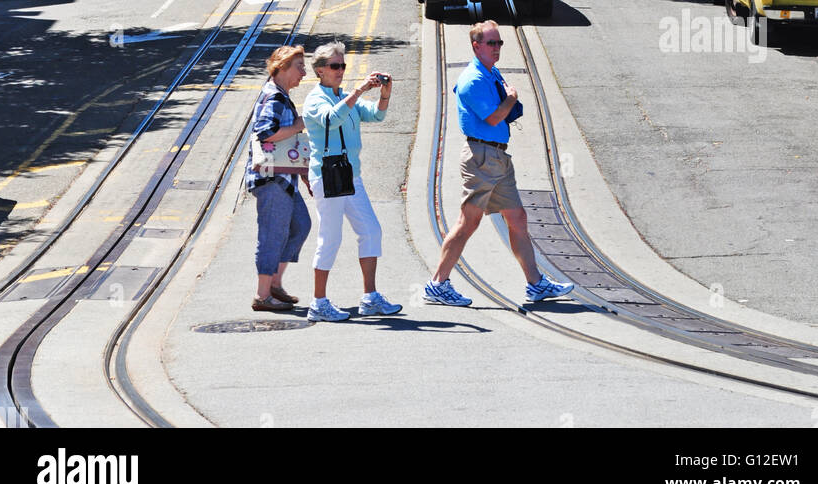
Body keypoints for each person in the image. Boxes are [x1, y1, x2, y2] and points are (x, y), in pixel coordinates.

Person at [424, 20, 575, 308]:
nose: (497, 48)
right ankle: (437, 284)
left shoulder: (489, 72)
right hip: (481, 158)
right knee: (468, 222)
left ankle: (535, 283)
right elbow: (493, 117)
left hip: (497, 157)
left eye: (499, 43)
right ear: (476, 45)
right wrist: (512, 98)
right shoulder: (473, 80)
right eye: (491, 43)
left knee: (517, 218)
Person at [302, 42, 401, 322]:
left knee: (371, 230)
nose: (340, 71)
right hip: (327, 176)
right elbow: (331, 120)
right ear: (320, 70)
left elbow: (377, 115)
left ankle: (370, 297)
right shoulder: (315, 100)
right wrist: (358, 92)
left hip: (350, 175)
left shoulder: (344, 96)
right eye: (335, 66)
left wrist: (384, 93)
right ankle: (318, 302)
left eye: (343, 66)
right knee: (330, 239)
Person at [246, 45, 313, 313]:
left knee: (300, 225)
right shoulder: (274, 97)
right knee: (272, 234)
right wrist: (298, 126)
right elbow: (266, 133)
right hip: (271, 180)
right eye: (299, 66)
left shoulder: (281, 95)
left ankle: (274, 284)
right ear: (282, 67)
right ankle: (263, 296)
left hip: (284, 178)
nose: (304, 72)